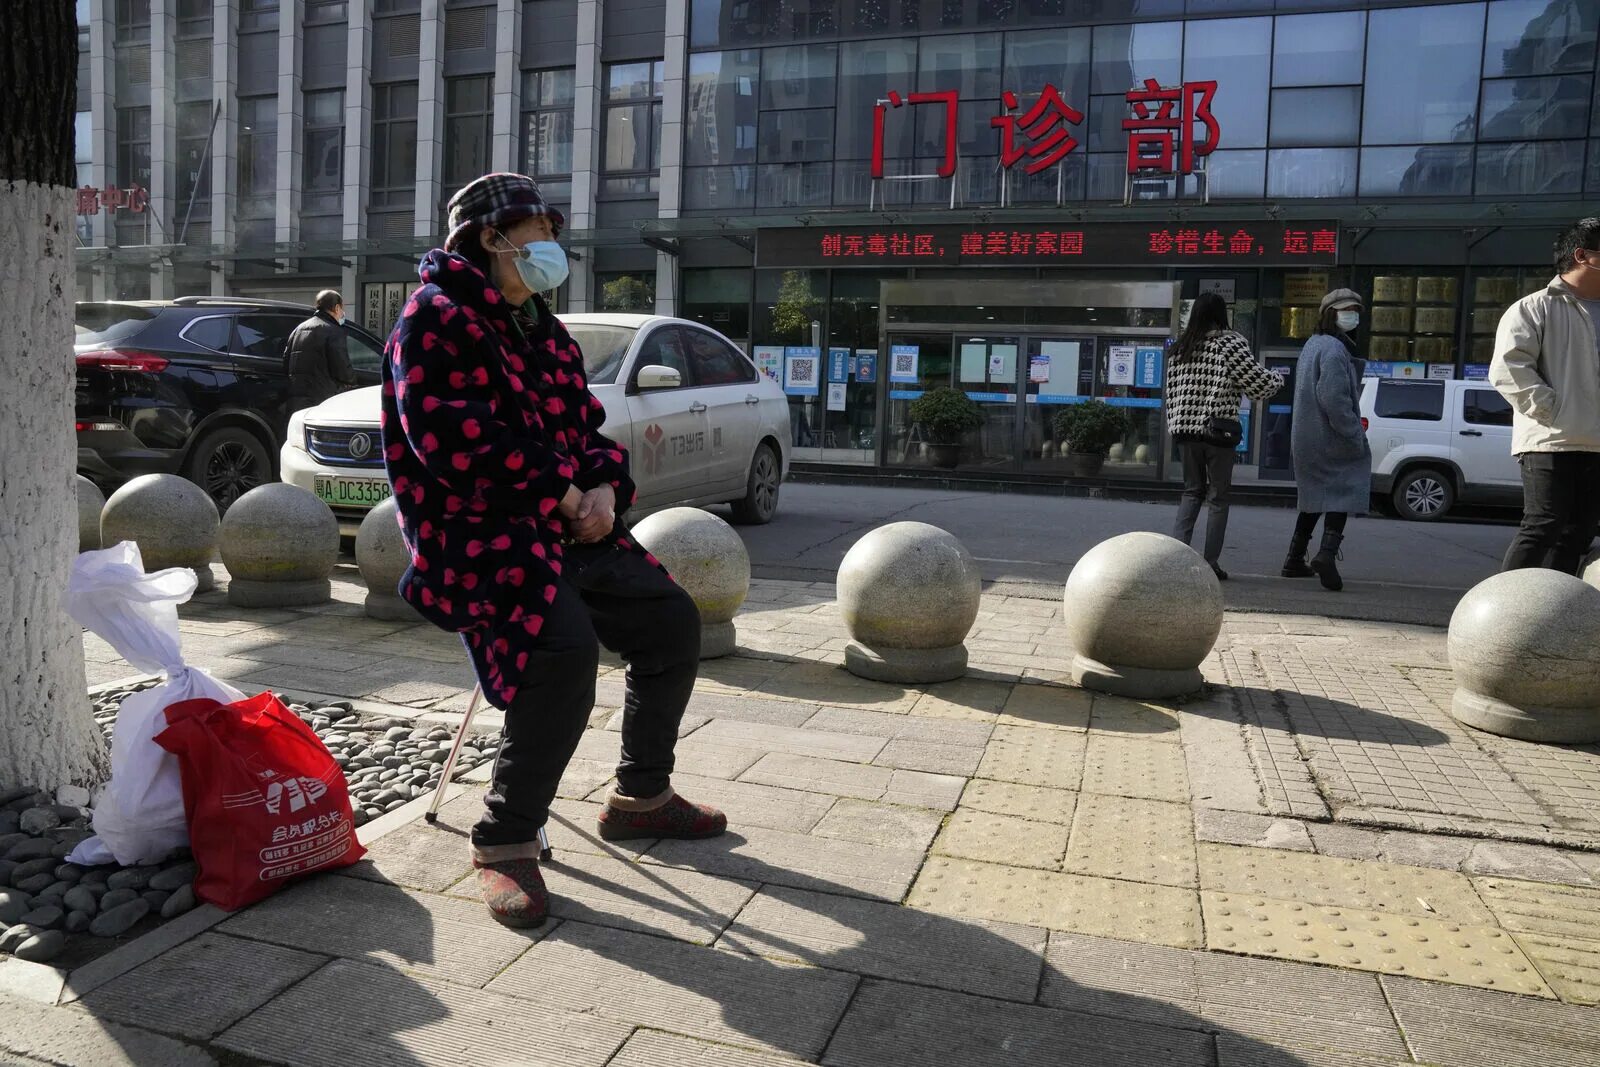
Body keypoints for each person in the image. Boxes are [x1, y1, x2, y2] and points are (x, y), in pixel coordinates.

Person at [380, 173, 725, 929]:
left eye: (547, 230)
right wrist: (562, 497)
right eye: (531, 233)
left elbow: (585, 428)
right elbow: (454, 444)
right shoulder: (434, 319)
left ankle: (641, 794)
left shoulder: (541, 326)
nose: (547, 248)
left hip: (562, 523)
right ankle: (505, 838)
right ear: (487, 239)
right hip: (478, 534)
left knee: (670, 618)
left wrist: (603, 490)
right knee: (562, 651)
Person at [1490, 217, 1600, 575]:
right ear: (1583, 255)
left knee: (1579, 533)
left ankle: (1557, 616)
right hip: (1549, 440)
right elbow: (1508, 368)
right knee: (1542, 525)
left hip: (1597, 443)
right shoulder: (1533, 308)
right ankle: (1507, 613)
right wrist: (1553, 411)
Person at [1165, 292, 1282, 580]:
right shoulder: (1229, 343)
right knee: (1218, 498)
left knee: (1191, 492)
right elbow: (1257, 384)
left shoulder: (1181, 347)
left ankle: (1175, 558)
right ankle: (1210, 564)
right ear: (1222, 314)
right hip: (1218, 432)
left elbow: (1171, 393)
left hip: (1185, 432)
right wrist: (1279, 378)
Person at [1283, 288, 1372, 592]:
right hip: (1329, 436)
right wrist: (1353, 433)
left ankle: (1294, 558)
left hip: (1306, 435)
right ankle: (1327, 554)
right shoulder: (1334, 350)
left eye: (1356, 310)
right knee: (1343, 490)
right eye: (1346, 309)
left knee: (1314, 496)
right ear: (1330, 313)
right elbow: (1333, 399)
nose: (1353, 315)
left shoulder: (1313, 344)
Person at [285, 289, 358, 413]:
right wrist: (353, 381)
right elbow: (342, 369)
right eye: (342, 309)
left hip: (296, 399)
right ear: (336, 308)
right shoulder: (334, 331)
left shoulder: (298, 329)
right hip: (323, 399)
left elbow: (286, 361)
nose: (342, 313)